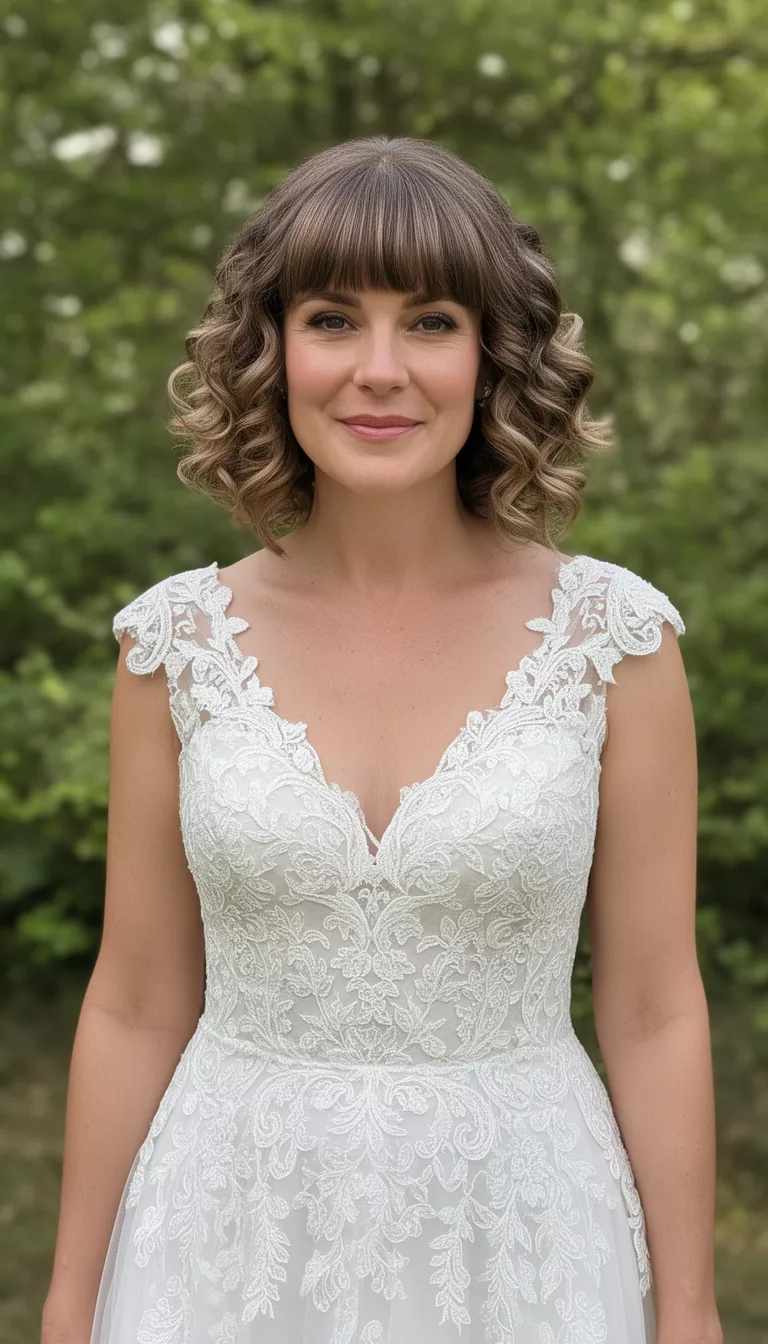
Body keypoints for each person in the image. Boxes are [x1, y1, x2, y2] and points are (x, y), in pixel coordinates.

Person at [42, 137, 721, 1344]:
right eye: (333, 319)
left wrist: (692, 1311)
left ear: (492, 356)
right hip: (221, 1241)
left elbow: (656, 1006)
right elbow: (139, 998)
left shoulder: (614, 641)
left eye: (432, 322)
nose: (378, 372)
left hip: (523, 1242)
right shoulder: (173, 646)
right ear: (272, 350)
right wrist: (66, 1304)